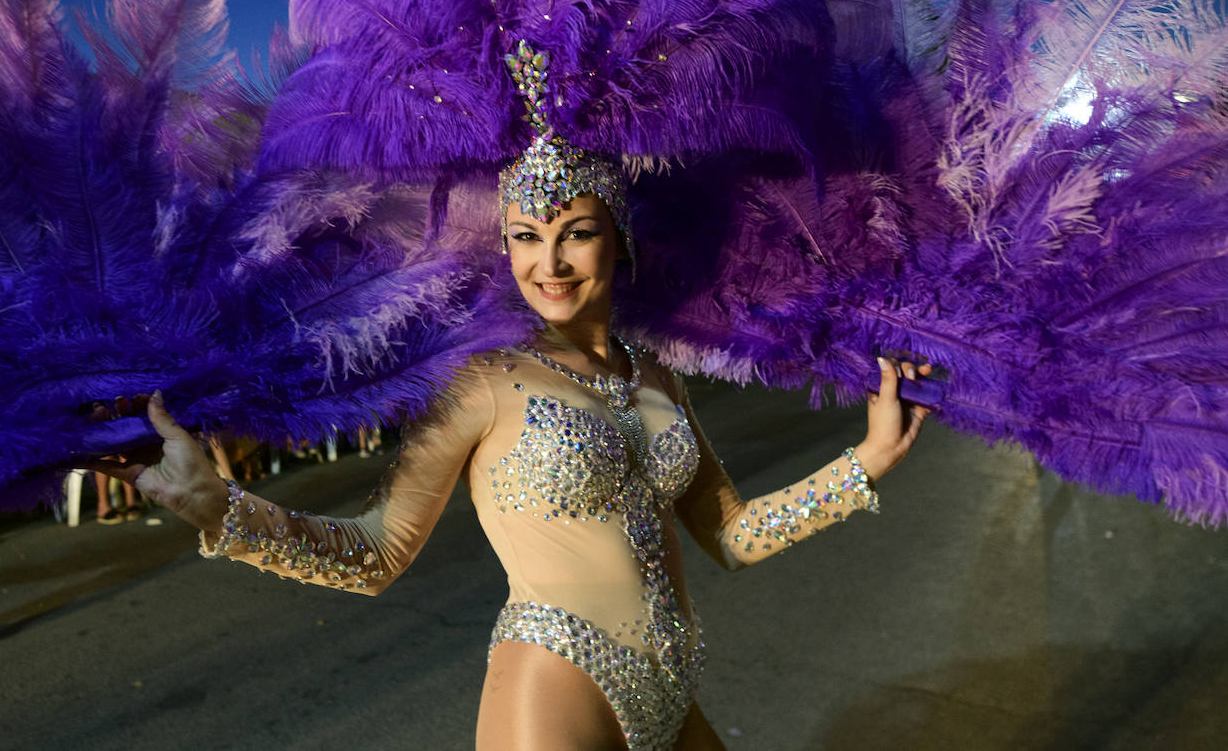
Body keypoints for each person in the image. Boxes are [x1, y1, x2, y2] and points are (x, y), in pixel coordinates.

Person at [96, 121, 930, 750]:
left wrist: (870, 458)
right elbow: (378, 552)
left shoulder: (656, 377)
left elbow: (733, 536)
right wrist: (226, 513)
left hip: (673, 693)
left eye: (575, 231)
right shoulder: (479, 380)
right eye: (527, 237)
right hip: (556, 688)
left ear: (620, 235)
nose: (551, 263)